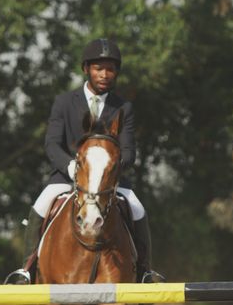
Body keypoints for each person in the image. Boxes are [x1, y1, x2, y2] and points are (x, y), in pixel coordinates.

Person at [12, 38, 163, 284]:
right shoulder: (64, 102)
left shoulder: (123, 107)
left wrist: (110, 171)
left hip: (108, 179)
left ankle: (145, 271)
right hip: (68, 176)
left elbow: (129, 151)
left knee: (137, 208)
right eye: (98, 68)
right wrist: (70, 166)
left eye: (110, 69)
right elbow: (52, 143)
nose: (105, 74)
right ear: (86, 69)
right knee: (41, 205)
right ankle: (26, 270)